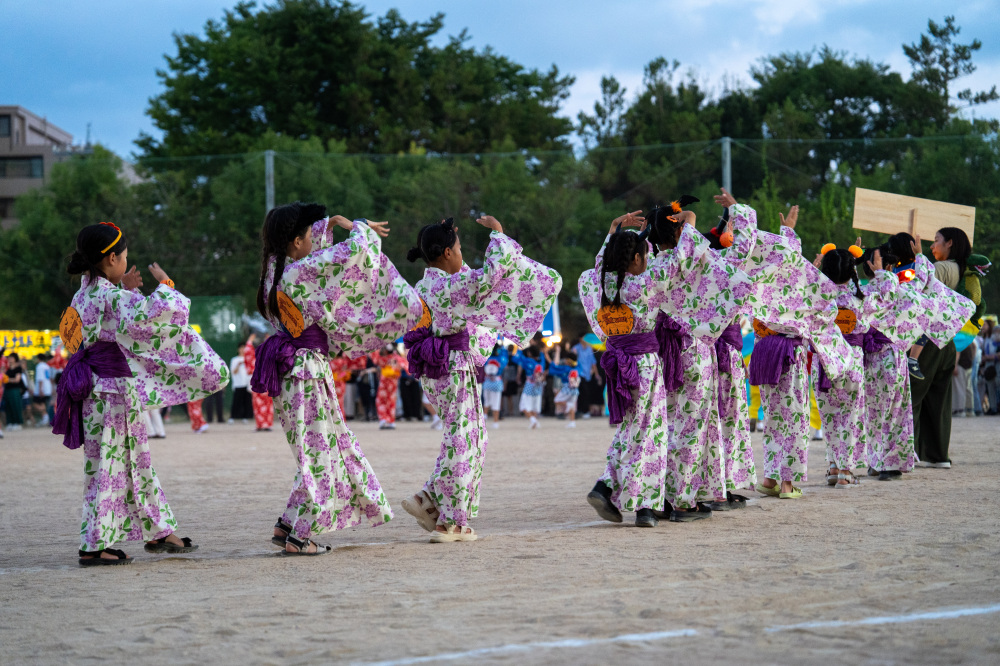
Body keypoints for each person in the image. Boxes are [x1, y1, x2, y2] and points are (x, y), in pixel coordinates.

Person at [55, 221, 229, 566]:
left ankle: (160, 532)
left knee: (130, 463)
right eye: (123, 258)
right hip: (112, 392)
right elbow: (151, 318)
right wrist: (165, 285)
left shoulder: (85, 293)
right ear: (109, 260)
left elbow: (114, 323)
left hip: (96, 390)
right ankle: (94, 545)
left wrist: (126, 287)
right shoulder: (108, 295)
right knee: (111, 466)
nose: (125, 262)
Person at [251, 203, 420, 555]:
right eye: (310, 235)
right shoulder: (301, 272)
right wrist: (356, 226)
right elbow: (355, 252)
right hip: (306, 370)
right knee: (322, 452)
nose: (315, 240)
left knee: (318, 448)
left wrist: (329, 223)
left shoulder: (274, 269)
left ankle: (288, 524)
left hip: (292, 369)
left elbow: (321, 257)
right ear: (296, 242)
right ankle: (301, 535)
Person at [401, 216, 561, 543]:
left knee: (467, 435)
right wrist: (499, 236)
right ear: (446, 253)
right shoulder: (452, 286)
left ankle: (429, 499)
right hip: (454, 365)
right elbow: (489, 278)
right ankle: (451, 520)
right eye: (458, 249)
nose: (462, 256)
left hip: (435, 367)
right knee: (466, 438)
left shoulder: (424, 286)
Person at [645, 197, 752, 521]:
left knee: (664, 426)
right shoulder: (691, 260)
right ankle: (682, 501)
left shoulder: (647, 263)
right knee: (691, 429)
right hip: (692, 350)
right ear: (679, 232)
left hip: (660, 350)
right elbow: (742, 251)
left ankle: (661, 496)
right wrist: (737, 213)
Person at [745, 206, 858, 500]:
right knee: (794, 418)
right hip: (789, 351)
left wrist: (788, 232)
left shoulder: (772, 278)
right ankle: (786, 483)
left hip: (765, 348)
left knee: (772, 415)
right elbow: (823, 312)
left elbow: (787, 256)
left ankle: (769, 479)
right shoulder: (814, 287)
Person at [810, 243, 896, 485]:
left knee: (828, 415)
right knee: (850, 416)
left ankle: (834, 467)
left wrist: (816, 267)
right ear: (852, 271)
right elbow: (889, 294)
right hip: (852, 360)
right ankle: (846, 471)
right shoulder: (863, 297)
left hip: (823, 359)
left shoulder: (817, 296)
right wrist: (879, 271)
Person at [911, 228, 982, 468]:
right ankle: (938, 455)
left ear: (950, 243)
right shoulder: (963, 271)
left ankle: (907, 451)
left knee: (912, 394)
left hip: (927, 342)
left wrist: (917, 259)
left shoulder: (940, 269)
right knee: (939, 401)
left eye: (936, 240)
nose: (932, 246)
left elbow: (916, 294)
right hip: (948, 342)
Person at [371, 342, 406, 429]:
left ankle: (383, 419)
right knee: (391, 400)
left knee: (381, 400)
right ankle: (390, 421)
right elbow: (405, 366)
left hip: (385, 381)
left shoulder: (383, 358)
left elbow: (375, 359)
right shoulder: (397, 358)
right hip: (393, 381)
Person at [244, 333, 274, 431]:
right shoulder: (266, 357)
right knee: (265, 405)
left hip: (260, 384)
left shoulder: (255, 358)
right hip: (263, 383)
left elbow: (247, 352)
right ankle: (265, 425)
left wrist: (250, 341)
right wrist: (269, 339)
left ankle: (262, 425)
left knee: (260, 405)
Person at [229, 342, 253, 423]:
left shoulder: (249, 359)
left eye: (244, 348)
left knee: (246, 401)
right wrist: (239, 365)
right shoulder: (234, 360)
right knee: (236, 401)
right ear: (238, 349)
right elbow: (233, 372)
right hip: (238, 384)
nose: (242, 350)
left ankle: (245, 417)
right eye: (241, 348)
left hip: (247, 383)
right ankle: (232, 417)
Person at [3, 353, 26, 430]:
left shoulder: (18, 368)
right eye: (9, 358)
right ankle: (10, 423)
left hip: (15, 390)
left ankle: (18, 423)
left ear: (15, 359)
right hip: (7, 390)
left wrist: (7, 380)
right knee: (8, 407)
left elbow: (17, 380)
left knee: (16, 406)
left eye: (11, 358)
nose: (10, 359)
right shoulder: (7, 369)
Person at [32, 353, 54, 427]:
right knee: (45, 404)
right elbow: (50, 378)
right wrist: (52, 388)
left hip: (41, 389)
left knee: (35, 403)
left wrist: (41, 390)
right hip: (48, 388)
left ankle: (45, 416)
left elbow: (40, 378)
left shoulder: (39, 366)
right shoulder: (47, 366)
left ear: (38, 359)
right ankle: (45, 417)